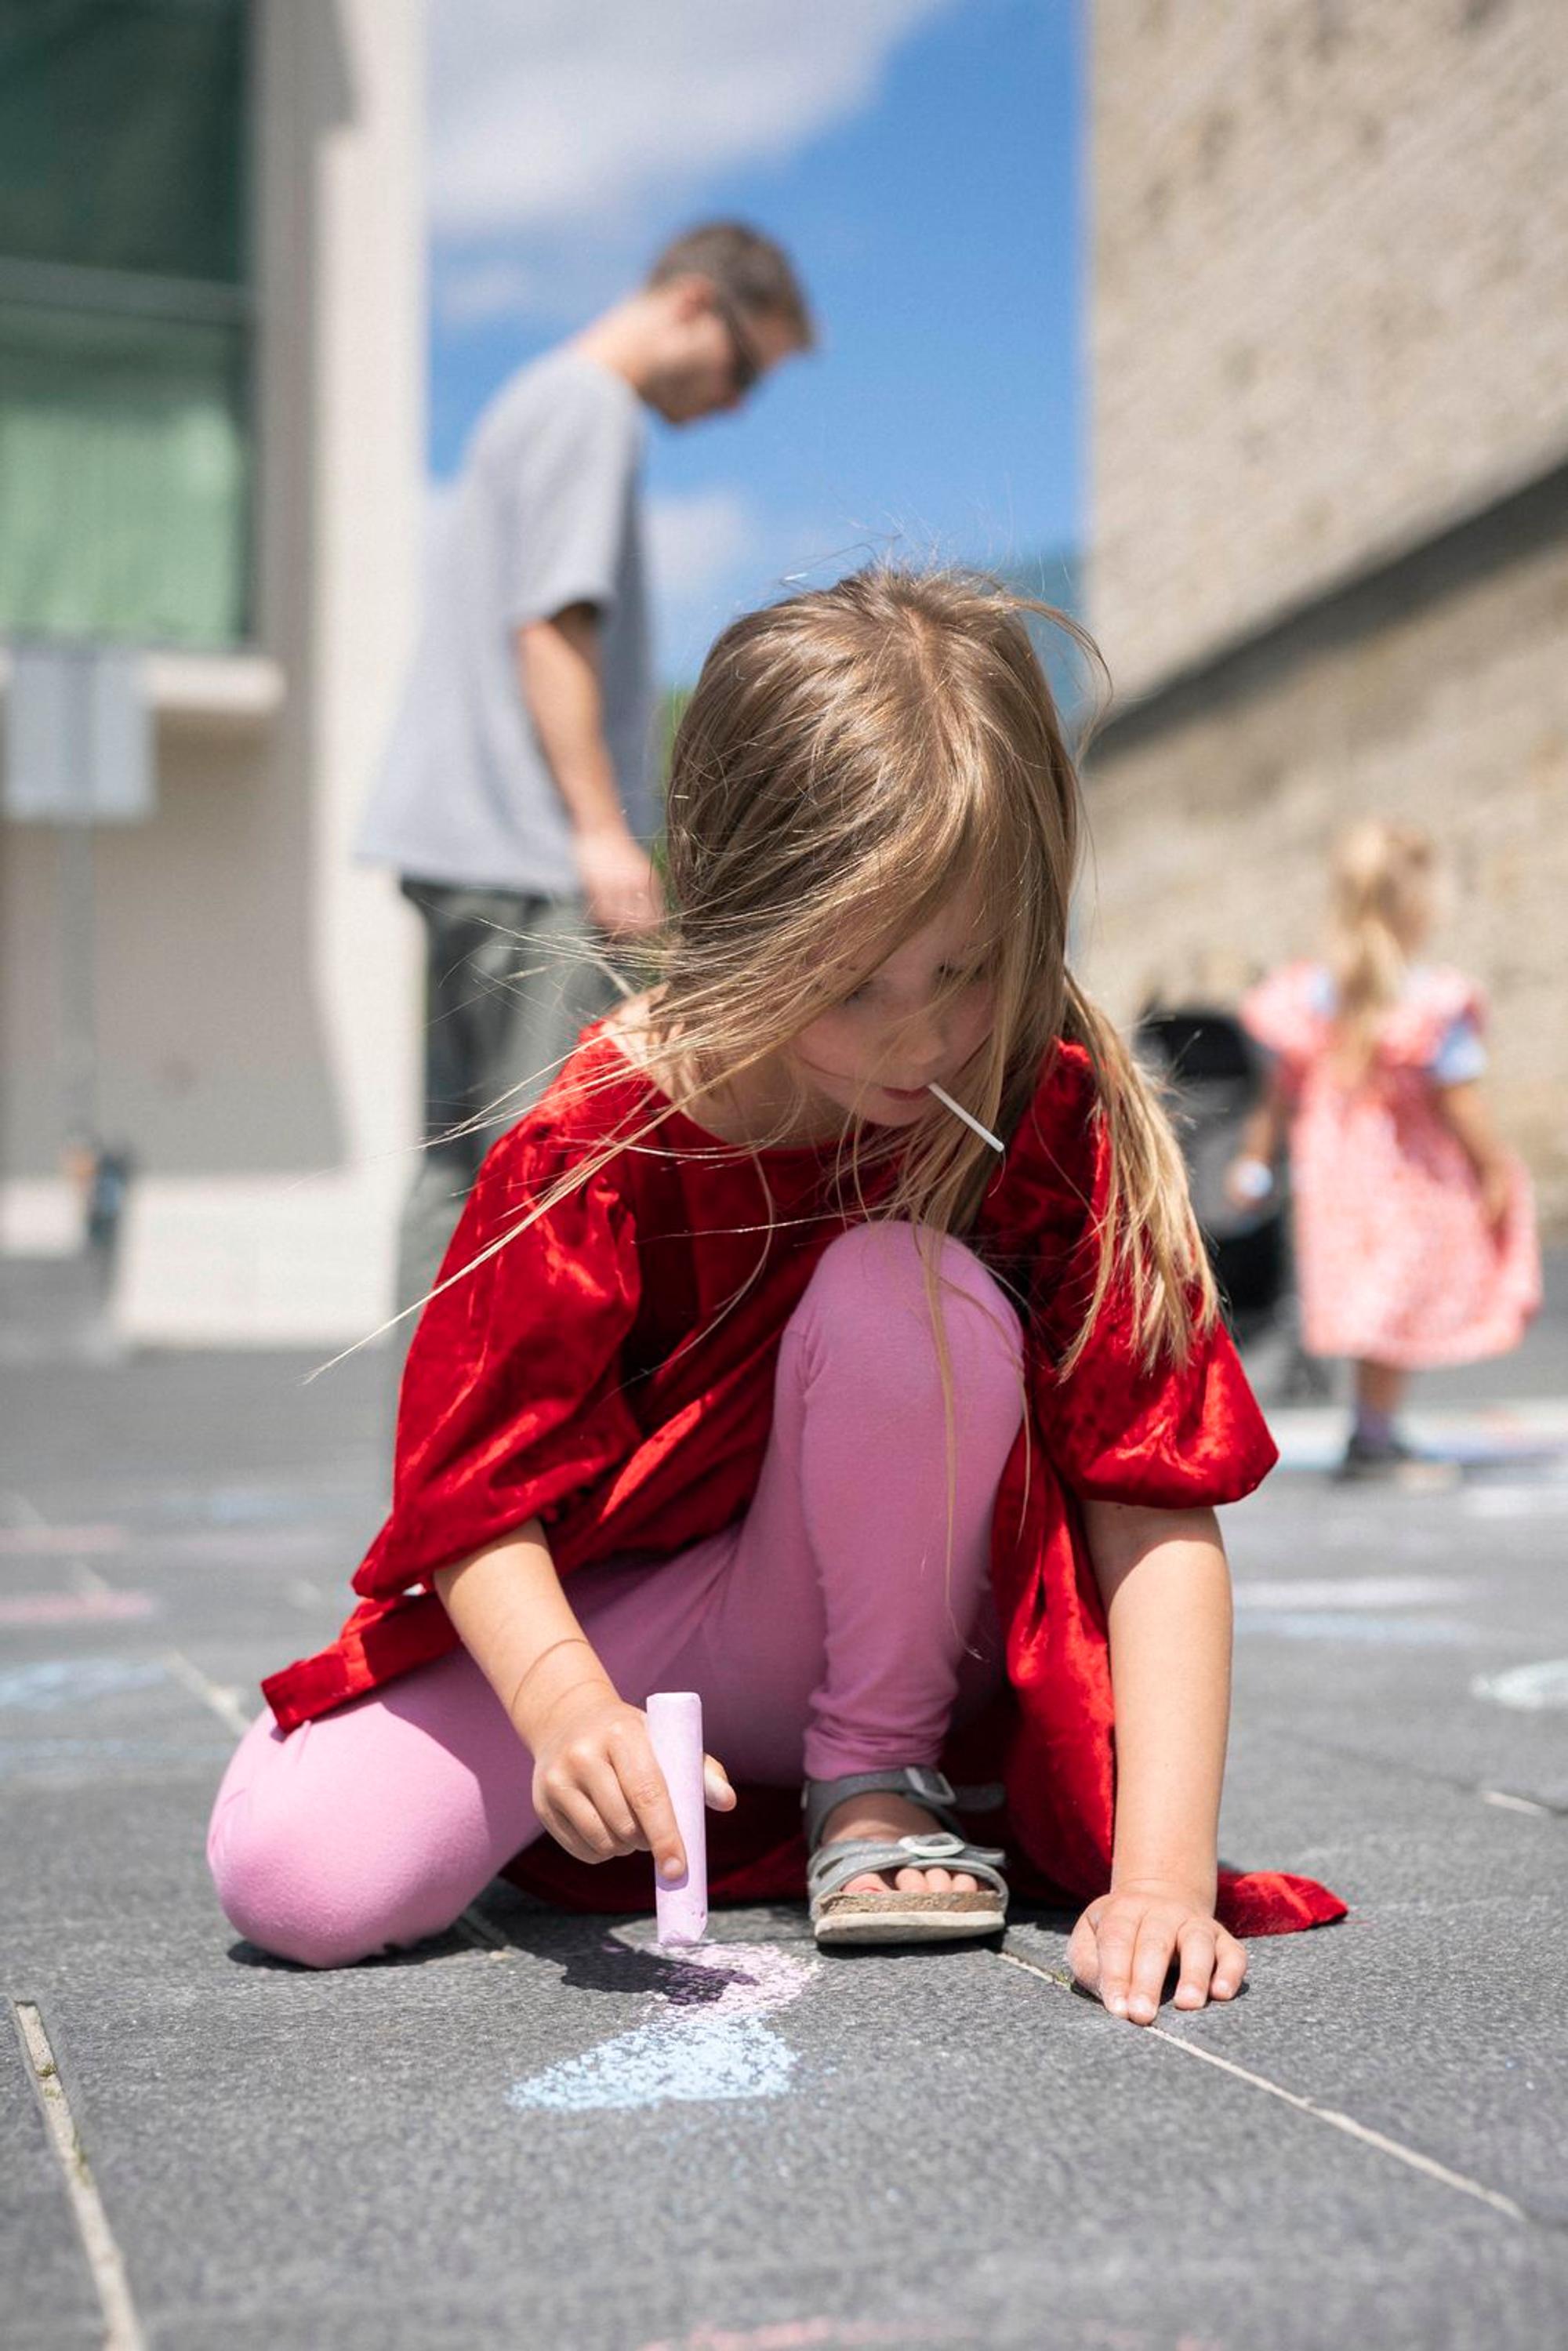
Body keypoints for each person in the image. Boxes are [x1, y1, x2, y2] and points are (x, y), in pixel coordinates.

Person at [210, 568, 1344, 2019]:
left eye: (970, 964)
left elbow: (1153, 1502)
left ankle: (874, 1777)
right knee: (298, 1879)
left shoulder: (1041, 1111)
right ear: (739, 914)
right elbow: (473, 1498)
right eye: (855, 978)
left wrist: (1164, 1876)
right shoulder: (599, 1145)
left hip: (903, 1644)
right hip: (661, 1630)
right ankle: (730, 1783)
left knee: (902, 1291)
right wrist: (566, 1714)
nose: (924, 1028)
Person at [358, 222, 815, 1315]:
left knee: (458, 1165)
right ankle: (509, 1477)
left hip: (458, 844)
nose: (738, 403)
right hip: (526, 853)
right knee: (543, 1170)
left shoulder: (532, 400)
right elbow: (551, 626)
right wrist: (603, 829)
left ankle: (432, 1470)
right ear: (695, 305)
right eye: (745, 366)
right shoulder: (589, 411)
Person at [1229, 819, 1540, 1478]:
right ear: (1418, 907)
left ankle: (1373, 1428)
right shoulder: (1428, 999)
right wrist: (1494, 1167)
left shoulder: (1312, 997)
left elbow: (1279, 1094)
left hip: (1338, 1186)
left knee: (1378, 1301)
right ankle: (1372, 1438)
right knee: (1397, 1298)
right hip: (1407, 1183)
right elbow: (1458, 1097)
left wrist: (1256, 1161)